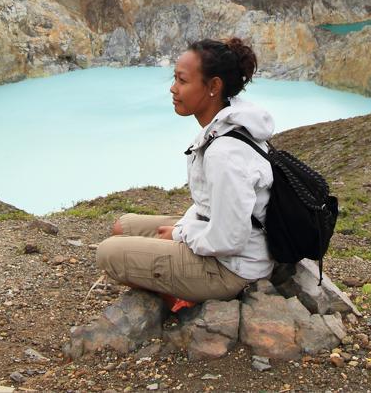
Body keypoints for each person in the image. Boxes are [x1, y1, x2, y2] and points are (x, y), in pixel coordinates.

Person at [95, 37, 276, 304]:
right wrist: (184, 227)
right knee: (122, 227)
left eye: (182, 81)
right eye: (175, 79)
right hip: (218, 240)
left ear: (214, 86)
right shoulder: (224, 125)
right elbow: (209, 207)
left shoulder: (224, 153)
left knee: (107, 253)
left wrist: (180, 233)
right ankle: (177, 284)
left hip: (233, 268)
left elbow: (230, 240)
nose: (173, 88)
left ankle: (179, 302)